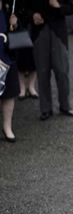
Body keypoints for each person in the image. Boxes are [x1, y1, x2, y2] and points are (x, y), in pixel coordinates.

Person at [28, 0, 73, 121]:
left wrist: (58, 6)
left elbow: (71, 7)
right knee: (42, 72)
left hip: (58, 32)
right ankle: (45, 109)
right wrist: (32, 15)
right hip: (39, 31)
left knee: (62, 70)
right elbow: (22, 8)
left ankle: (65, 105)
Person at [0, 0, 20, 142]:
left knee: (9, 91)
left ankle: (7, 127)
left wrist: (15, 23)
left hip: (6, 52)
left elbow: (16, 27)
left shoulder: (9, 3)